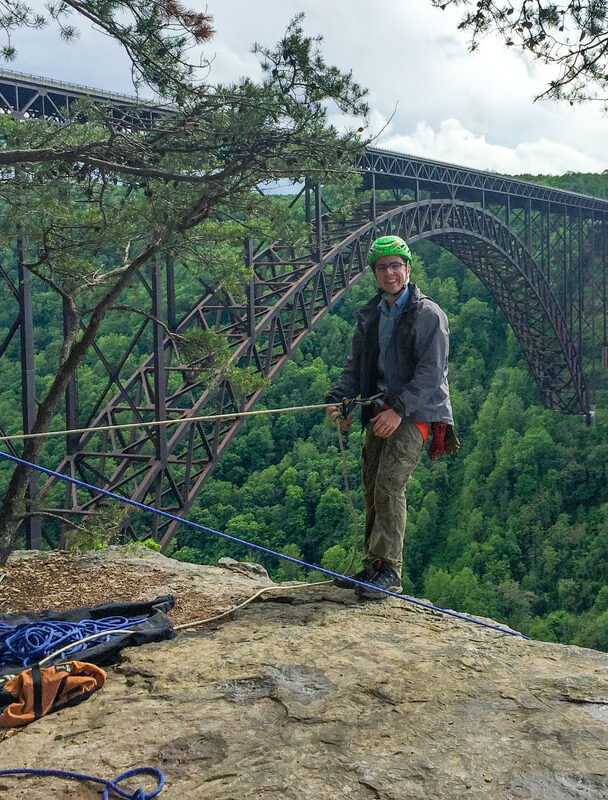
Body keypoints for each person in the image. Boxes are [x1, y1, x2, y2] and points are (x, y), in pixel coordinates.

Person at [325, 234, 456, 599]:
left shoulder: (428, 313)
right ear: (374, 273)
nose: (390, 273)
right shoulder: (371, 315)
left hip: (416, 412)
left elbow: (432, 373)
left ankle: (389, 573)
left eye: (396, 265)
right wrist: (339, 400)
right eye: (382, 267)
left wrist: (399, 412)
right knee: (372, 485)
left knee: (389, 484)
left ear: (408, 269)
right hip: (381, 411)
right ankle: (372, 567)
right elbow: (355, 368)